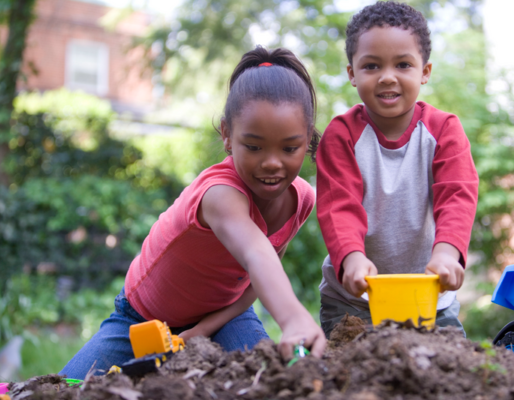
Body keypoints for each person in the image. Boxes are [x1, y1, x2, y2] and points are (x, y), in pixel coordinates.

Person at [61, 46, 327, 379]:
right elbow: (255, 254)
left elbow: (258, 278)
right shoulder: (219, 194)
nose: (272, 162)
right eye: (254, 146)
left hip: (226, 315)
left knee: (261, 378)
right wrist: (293, 318)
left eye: (289, 148)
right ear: (227, 135)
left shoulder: (300, 199)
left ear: (307, 140)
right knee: (66, 387)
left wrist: (203, 330)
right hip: (142, 319)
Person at [316, 1, 479, 338]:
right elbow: (338, 206)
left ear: (425, 71)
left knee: (450, 375)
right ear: (352, 73)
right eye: (372, 65)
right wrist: (352, 257)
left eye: (403, 64)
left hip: (429, 299)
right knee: (352, 378)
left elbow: (457, 195)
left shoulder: (444, 129)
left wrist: (448, 252)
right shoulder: (341, 134)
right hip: (354, 302)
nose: (387, 77)